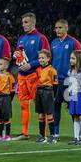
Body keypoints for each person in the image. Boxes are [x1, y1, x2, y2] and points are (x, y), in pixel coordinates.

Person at [14, 13, 50, 141]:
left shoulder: (41, 38)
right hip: (22, 76)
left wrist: (31, 65)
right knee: (23, 104)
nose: (24, 25)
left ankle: (43, 134)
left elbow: (47, 57)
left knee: (39, 105)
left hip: (35, 75)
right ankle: (24, 133)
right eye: (23, 22)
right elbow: (20, 56)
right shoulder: (21, 39)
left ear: (33, 23)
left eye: (27, 22)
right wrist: (17, 56)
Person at [48, 19, 81, 141]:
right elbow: (50, 61)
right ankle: (56, 134)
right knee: (55, 107)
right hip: (56, 81)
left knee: (73, 108)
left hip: (70, 80)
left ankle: (77, 135)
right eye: (56, 28)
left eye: (60, 28)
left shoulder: (73, 42)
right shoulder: (53, 43)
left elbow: (80, 61)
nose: (57, 30)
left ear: (66, 28)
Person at [35, 49, 59, 144]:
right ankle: (42, 135)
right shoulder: (37, 70)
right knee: (40, 114)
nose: (41, 60)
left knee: (49, 114)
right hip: (39, 91)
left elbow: (55, 84)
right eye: (39, 58)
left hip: (48, 92)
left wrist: (54, 96)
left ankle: (52, 136)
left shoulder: (52, 70)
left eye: (43, 58)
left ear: (48, 58)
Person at [0, 58, 16, 141]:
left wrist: (9, 99)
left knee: (6, 117)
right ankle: (0, 134)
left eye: (0, 64)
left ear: (6, 66)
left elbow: (12, 90)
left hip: (6, 97)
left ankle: (7, 135)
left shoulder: (10, 77)